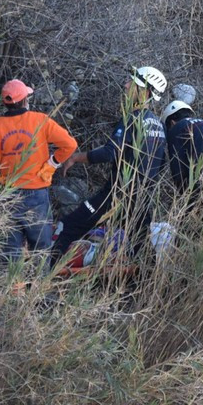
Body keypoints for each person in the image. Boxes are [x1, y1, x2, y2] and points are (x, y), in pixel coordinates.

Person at [52, 66, 168, 262]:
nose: (125, 85)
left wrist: (74, 158)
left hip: (116, 193)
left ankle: (42, 276)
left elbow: (109, 153)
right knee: (143, 246)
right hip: (141, 198)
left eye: (132, 83)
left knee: (69, 227)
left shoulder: (133, 119)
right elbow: (161, 162)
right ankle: (144, 285)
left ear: (145, 92)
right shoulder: (158, 124)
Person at [0, 79, 78, 260]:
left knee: (11, 250)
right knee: (41, 249)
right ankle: (39, 285)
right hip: (36, 195)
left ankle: (12, 286)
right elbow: (70, 144)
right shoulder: (40, 120)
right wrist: (52, 164)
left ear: (6, 103)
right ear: (25, 100)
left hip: (8, 193)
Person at [161, 100, 203, 199]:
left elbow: (178, 170)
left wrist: (184, 199)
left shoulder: (177, 128)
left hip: (202, 174)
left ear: (172, 123)